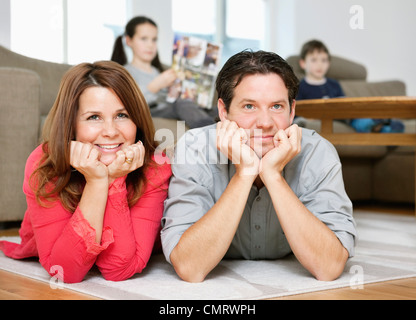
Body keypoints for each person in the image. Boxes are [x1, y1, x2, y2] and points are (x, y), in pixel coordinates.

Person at [161, 50, 357, 283]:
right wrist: (244, 174)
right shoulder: (195, 148)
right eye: (249, 106)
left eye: (276, 107)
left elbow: (329, 267)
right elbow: (190, 267)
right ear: (223, 111)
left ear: (292, 111)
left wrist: (273, 176)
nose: (265, 123)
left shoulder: (318, 152)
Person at [0, 61, 172, 283]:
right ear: (71, 124)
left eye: (122, 115)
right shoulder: (44, 163)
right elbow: (65, 271)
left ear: (137, 120)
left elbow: (119, 269)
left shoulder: (155, 165)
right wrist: (97, 182)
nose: (110, 131)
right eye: (94, 117)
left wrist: (114, 180)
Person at [111, 16, 216, 129]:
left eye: (154, 39)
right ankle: (212, 134)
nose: (150, 45)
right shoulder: (125, 72)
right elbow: (127, 105)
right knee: (181, 104)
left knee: (214, 108)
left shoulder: (157, 71)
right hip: (151, 111)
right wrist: (155, 86)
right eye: (143, 39)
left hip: (171, 106)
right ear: (129, 41)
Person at [296, 39, 404, 133]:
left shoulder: (334, 84)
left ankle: (382, 126)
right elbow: (297, 111)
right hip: (317, 119)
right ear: (303, 63)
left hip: (341, 117)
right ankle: (380, 126)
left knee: (355, 117)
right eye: (314, 60)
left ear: (328, 63)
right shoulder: (300, 86)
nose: (320, 64)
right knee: (356, 121)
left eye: (324, 60)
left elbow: (343, 102)